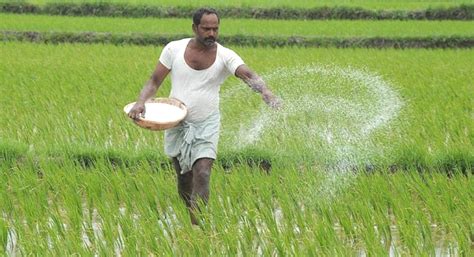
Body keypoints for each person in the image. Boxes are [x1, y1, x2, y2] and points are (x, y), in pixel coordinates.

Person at [128, 7, 280, 225]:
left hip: (206, 123)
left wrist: (266, 92)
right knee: (183, 179)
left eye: (215, 29)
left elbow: (247, 74)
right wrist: (141, 102)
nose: (211, 34)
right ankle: (190, 216)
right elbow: (154, 81)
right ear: (194, 28)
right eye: (206, 29)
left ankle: (199, 225)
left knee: (203, 172)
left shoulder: (225, 55)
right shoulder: (174, 49)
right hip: (177, 123)